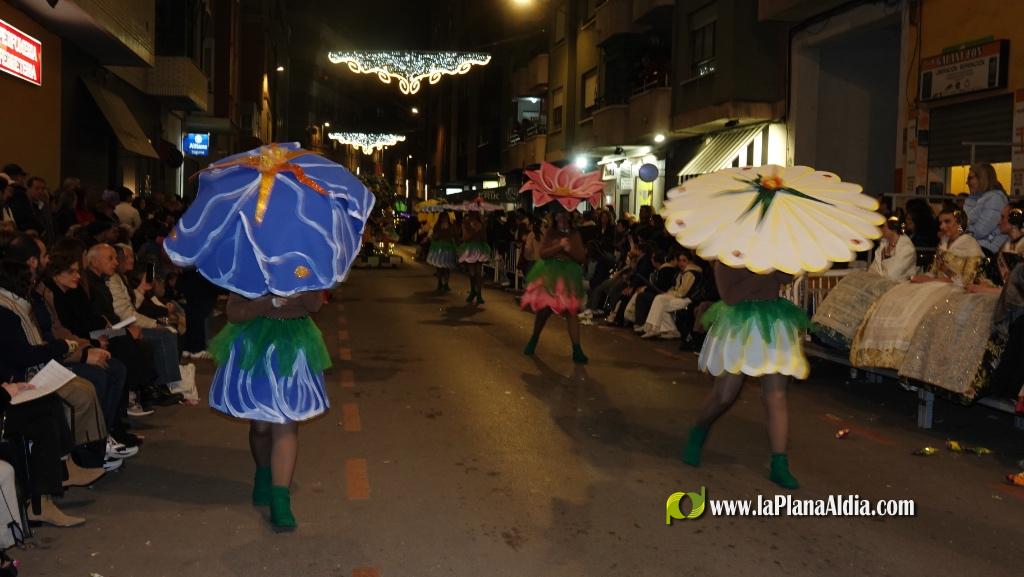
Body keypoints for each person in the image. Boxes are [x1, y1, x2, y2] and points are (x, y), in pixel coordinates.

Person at [208, 291, 329, 530]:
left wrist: (302, 286)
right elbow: (234, 312)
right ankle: (263, 474)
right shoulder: (249, 267)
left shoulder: (302, 268)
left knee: (286, 422)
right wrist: (268, 302)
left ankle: (280, 500)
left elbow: (315, 304)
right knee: (261, 427)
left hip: (294, 342)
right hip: (257, 343)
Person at [681, 262, 807, 489]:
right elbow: (731, 297)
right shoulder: (726, 258)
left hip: (772, 322)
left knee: (776, 396)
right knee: (724, 396)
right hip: (738, 325)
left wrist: (777, 262)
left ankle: (779, 464)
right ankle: (698, 431)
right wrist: (763, 271)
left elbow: (786, 278)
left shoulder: (773, 250)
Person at [521, 208, 589, 363]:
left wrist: (569, 249)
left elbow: (581, 257)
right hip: (550, 274)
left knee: (571, 311)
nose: (561, 217)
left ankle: (577, 350)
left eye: (564, 214)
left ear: (570, 216)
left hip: (569, 276)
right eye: (558, 214)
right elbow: (543, 253)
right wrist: (559, 246)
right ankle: (534, 338)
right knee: (544, 311)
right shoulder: (551, 233)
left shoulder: (575, 234)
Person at [910, 208, 984, 286]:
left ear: (960, 223)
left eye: (947, 221)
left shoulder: (970, 245)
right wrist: (924, 278)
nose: (942, 226)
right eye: (940, 223)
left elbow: (968, 282)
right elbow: (933, 272)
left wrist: (945, 271)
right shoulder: (943, 242)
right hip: (938, 286)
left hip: (958, 290)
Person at [640, 250, 703, 339]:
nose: (681, 263)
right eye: (679, 260)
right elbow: (677, 288)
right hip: (681, 297)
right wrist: (669, 293)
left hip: (687, 300)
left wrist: (669, 293)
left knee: (660, 301)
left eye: (684, 260)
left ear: (690, 261)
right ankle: (669, 330)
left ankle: (652, 327)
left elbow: (682, 293)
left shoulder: (690, 273)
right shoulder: (683, 272)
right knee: (660, 303)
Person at [964, 163, 1009, 257]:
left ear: (982, 178)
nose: (967, 182)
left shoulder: (995, 199)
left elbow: (980, 231)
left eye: (970, 178)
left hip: (988, 250)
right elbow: (964, 221)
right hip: (977, 247)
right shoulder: (976, 198)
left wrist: (959, 229)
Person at [868, 215, 917, 281]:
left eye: (883, 227)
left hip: (900, 286)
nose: (880, 229)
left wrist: (878, 275)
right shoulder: (884, 244)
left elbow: (892, 275)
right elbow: (872, 270)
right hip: (880, 283)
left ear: (893, 229)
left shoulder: (907, 249)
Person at [459, 210, 491, 304]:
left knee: (478, 273)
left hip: (480, 248)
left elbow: (485, 237)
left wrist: (480, 232)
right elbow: (465, 237)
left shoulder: (481, 223)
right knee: (472, 273)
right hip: (470, 249)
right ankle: (473, 290)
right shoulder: (466, 223)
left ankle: (479, 294)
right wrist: (473, 232)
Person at [426, 212, 458, 292]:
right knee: (439, 267)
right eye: (443, 217)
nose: (444, 219)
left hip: (448, 248)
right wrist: (438, 234)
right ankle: (440, 282)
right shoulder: (437, 226)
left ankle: (446, 283)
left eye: (445, 217)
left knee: (447, 267)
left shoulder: (451, 226)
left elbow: (455, 235)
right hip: (439, 248)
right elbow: (434, 236)